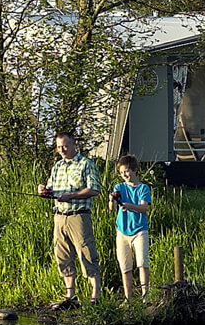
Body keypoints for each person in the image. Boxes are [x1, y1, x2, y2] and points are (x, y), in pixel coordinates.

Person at [37, 132, 103, 308]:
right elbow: (51, 190)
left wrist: (72, 195)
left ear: (74, 144)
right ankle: (70, 297)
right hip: (59, 217)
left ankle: (95, 297)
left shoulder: (86, 164)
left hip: (79, 215)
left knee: (87, 254)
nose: (62, 150)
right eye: (58, 147)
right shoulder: (57, 166)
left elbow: (94, 189)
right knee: (63, 256)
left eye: (65, 146)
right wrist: (44, 191)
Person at [109, 155, 155, 297]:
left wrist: (128, 206)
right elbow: (112, 207)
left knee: (142, 263)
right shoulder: (119, 187)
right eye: (122, 172)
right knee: (125, 266)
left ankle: (145, 296)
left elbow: (143, 208)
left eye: (127, 171)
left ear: (135, 170)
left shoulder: (143, 188)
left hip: (140, 230)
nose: (125, 175)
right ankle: (128, 298)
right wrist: (112, 199)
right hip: (122, 232)